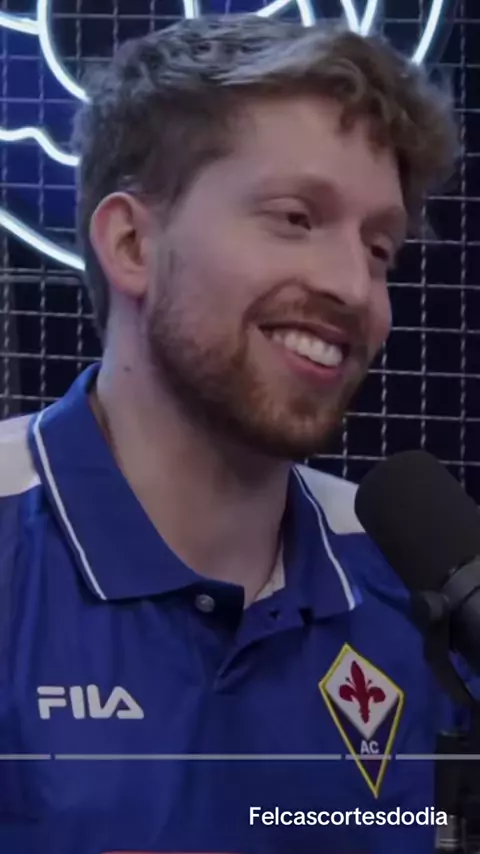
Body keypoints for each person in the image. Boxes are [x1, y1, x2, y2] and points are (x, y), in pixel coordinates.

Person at [0, 12, 463, 854]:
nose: (355, 288)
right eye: (295, 218)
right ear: (132, 243)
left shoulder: (414, 582)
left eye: (379, 249)